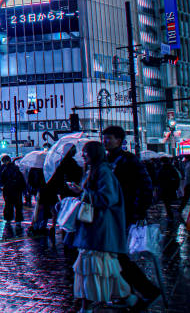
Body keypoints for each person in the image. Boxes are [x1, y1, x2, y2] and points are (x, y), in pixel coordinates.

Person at [69, 141, 137, 312]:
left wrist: (82, 193)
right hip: (92, 227)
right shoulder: (94, 170)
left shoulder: (103, 171)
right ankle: (127, 297)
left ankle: (87, 305)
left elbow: (107, 198)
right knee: (103, 267)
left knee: (94, 266)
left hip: (99, 227)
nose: (83, 155)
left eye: (86, 152)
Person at [102, 126, 160, 307]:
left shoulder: (129, 160)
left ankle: (144, 291)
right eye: (104, 138)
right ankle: (129, 293)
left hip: (126, 214)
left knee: (119, 256)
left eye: (109, 138)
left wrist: (138, 211)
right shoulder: (105, 161)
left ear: (119, 140)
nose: (106, 141)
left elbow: (146, 186)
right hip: (111, 215)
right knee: (116, 255)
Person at [0, 155, 26, 224]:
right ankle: (18, 219)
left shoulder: (5, 169)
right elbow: (21, 179)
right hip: (17, 189)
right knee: (18, 205)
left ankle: (8, 218)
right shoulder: (16, 168)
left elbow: (2, 180)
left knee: (8, 205)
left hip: (8, 189)